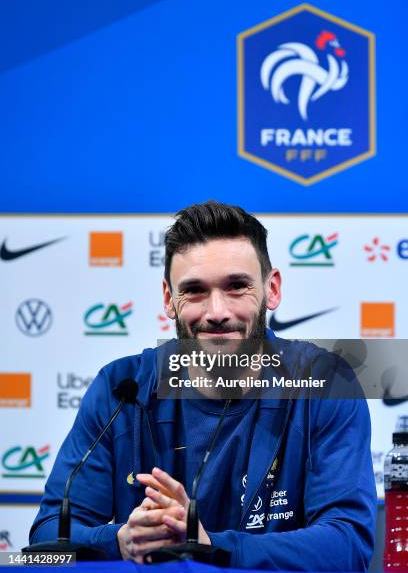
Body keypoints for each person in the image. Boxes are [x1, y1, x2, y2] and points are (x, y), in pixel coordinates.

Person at [29, 201, 377, 570]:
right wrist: (119, 540)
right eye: (194, 290)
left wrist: (211, 548)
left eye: (237, 286)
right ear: (169, 299)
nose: (217, 312)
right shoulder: (120, 388)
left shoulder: (323, 386)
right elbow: (47, 540)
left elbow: (348, 544)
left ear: (271, 289)